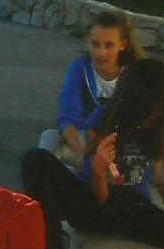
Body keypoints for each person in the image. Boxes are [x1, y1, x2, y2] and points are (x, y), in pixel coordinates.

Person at [23, 59, 164, 249]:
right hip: (92, 203)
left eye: (158, 111)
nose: (152, 118)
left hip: (135, 209)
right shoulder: (105, 116)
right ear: (133, 103)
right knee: (35, 159)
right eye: (149, 112)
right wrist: (98, 168)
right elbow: (100, 199)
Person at [39, 11, 145, 170]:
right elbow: (67, 117)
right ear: (88, 42)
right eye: (95, 44)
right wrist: (83, 159)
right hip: (83, 142)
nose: (101, 53)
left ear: (122, 45)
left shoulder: (135, 74)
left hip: (118, 146)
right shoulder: (79, 68)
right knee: (49, 138)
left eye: (109, 45)